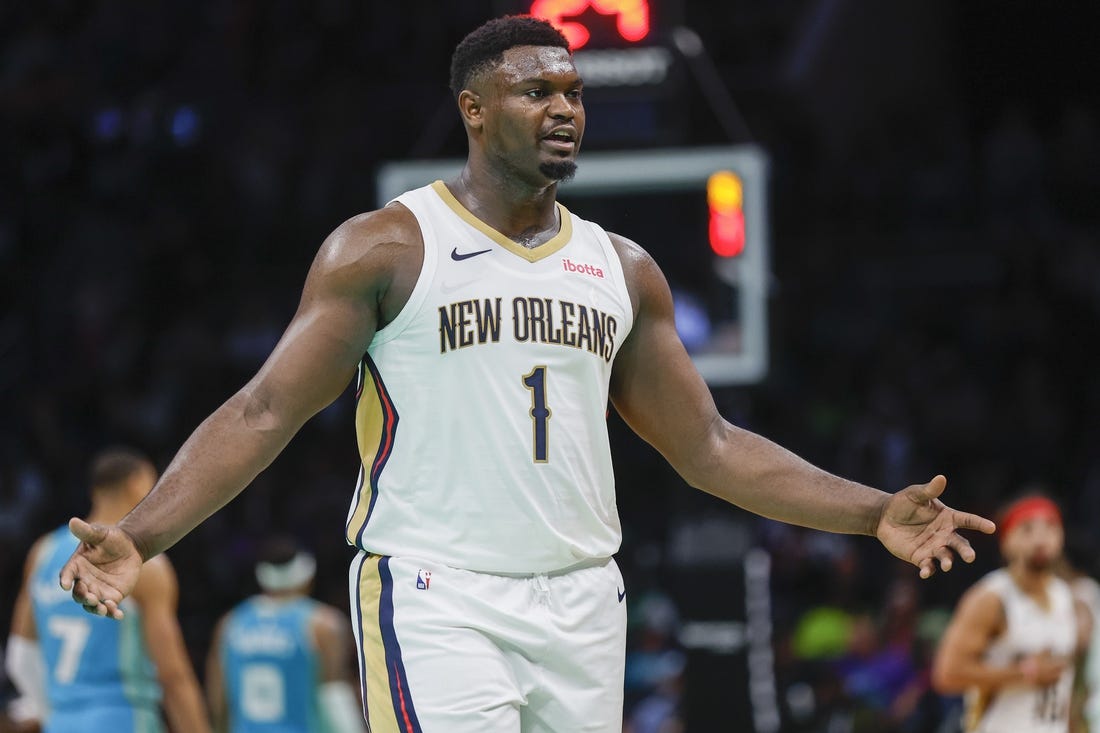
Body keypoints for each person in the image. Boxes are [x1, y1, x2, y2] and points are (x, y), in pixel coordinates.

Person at [60, 16, 995, 732]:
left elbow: (709, 446)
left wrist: (871, 510)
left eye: (574, 93)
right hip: (438, 592)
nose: (564, 108)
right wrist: (142, 536)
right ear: (473, 109)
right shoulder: (386, 247)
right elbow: (265, 408)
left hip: (585, 598)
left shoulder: (623, 269)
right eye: (537, 91)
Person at [7, 447, 209, 733]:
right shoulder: (146, 565)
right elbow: (172, 676)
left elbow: (20, 653)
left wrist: (49, 710)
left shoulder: (42, 553)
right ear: (137, 483)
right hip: (124, 719)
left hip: (61, 721)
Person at [931, 493, 1093, 732]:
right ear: (1006, 541)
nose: (1040, 538)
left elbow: (1065, 687)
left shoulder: (1070, 599)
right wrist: (1023, 673)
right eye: (1027, 529)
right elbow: (946, 674)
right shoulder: (991, 598)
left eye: (1050, 527)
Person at [206, 536, 365, 733]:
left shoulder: (230, 624)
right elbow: (335, 699)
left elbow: (218, 701)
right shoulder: (323, 625)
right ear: (307, 576)